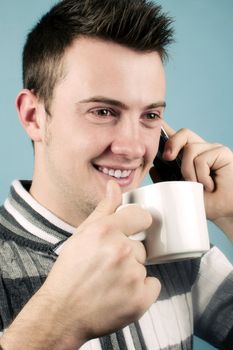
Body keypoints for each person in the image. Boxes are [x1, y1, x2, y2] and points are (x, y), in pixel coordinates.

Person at [0, 0, 232, 349]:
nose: (133, 148)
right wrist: (54, 323)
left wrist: (231, 213)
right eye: (103, 111)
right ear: (34, 116)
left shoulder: (174, 242)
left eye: (150, 116)